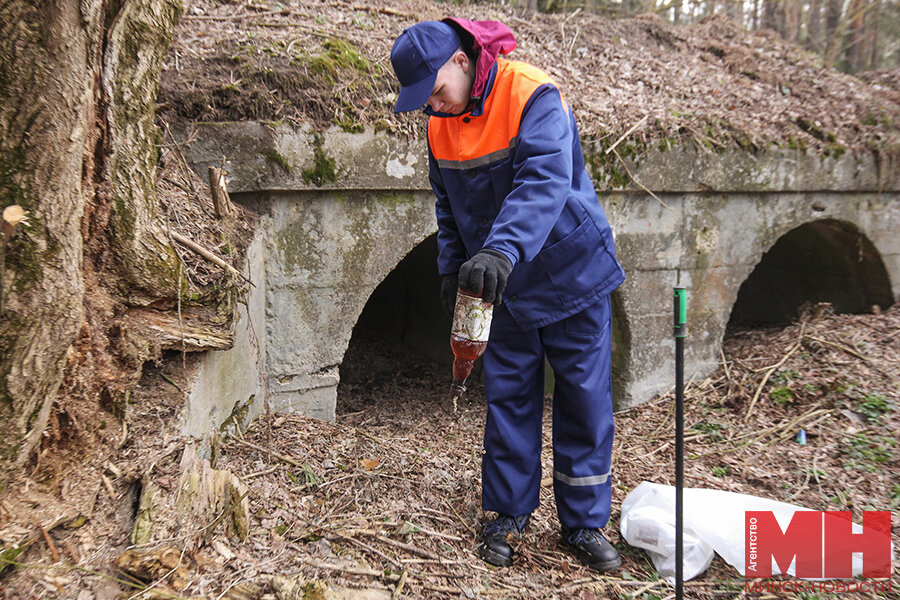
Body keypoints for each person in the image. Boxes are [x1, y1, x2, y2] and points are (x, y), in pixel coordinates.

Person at [389, 18, 626, 573]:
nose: (434, 107)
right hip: (505, 288)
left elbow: (543, 182)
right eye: (423, 101)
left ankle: (585, 524)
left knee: (584, 402)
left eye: (436, 91)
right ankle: (507, 513)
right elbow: (448, 208)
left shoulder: (532, 94)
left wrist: (499, 252)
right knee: (510, 398)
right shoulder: (439, 125)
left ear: (462, 61)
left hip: (572, 275)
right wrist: (452, 269)